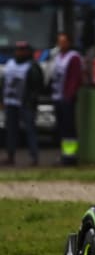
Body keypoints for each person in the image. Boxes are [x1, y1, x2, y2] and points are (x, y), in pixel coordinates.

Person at [3, 40, 44, 166]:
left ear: (27, 52)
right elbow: (3, 83)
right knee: (10, 131)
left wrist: (31, 101)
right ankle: (10, 156)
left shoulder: (32, 66)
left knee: (30, 130)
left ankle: (34, 157)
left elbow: (38, 86)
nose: (20, 52)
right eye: (18, 50)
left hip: (25, 104)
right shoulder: (9, 64)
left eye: (23, 50)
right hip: (11, 102)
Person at [49, 31, 83, 165]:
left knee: (69, 128)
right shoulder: (57, 56)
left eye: (64, 42)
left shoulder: (73, 57)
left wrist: (69, 95)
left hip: (67, 98)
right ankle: (64, 154)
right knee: (61, 128)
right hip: (57, 97)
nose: (61, 44)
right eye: (59, 42)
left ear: (69, 43)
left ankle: (70, 156)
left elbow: (75, 78)